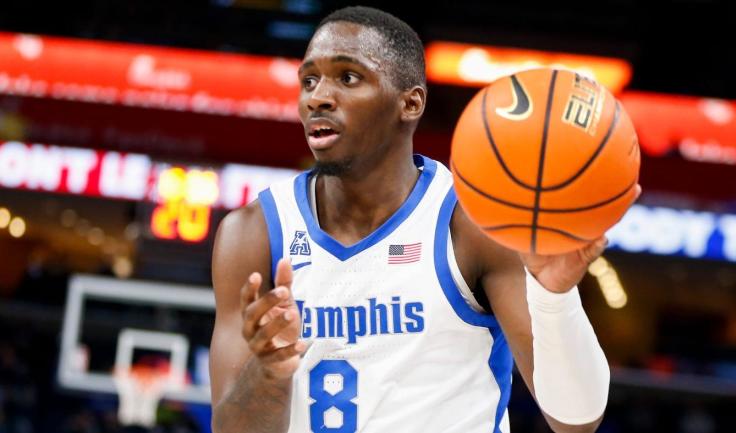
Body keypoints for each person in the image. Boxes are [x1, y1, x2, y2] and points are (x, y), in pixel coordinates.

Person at [210, 6, 636, 433]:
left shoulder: (470, 224)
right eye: (309, 80)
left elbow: (576, 422)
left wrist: (555, 297)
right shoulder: (254, 233)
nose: (317, 97)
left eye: (348, 78)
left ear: (410, 103)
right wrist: (269, 372)